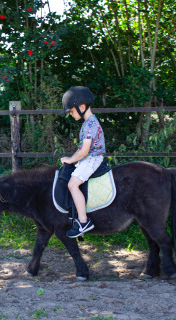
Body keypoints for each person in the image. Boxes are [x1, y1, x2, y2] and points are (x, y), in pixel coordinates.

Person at [60, 86, 106, 238]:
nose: (71, 115)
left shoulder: (90, 125)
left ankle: (83, 221)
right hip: (89, 158)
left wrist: (70, 159)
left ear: (81, 107)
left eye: (71, 111)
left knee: (72, 184)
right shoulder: (89, 123)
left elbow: (84, 151)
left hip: (92, 159)